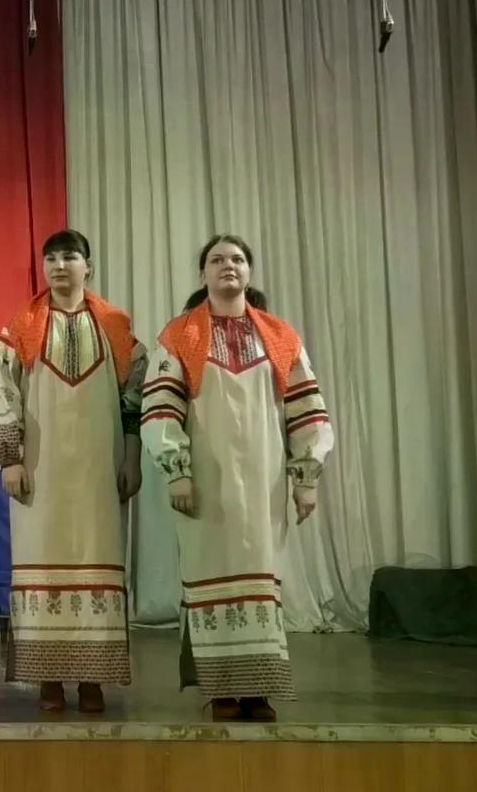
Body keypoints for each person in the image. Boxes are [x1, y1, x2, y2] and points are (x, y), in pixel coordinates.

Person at [141, 234, 333, 722]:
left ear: (249, 271)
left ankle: (259, 689)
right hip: (207, 480)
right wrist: (177, 471)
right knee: (210, 576)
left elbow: (306, 408)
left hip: (264, 481)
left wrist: (306, 476)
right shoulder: (180, 335)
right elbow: (160, 408)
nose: (228, 265)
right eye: (217, 259)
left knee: (261, 578)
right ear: (202, 274)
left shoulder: (280, 336)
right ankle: (222, 688)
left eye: (238, 259)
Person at [0, 229, 146, 713]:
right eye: (51, 258)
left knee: (99, 557)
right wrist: (10, 459)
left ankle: (93, 678)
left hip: (99, 469)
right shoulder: (22, 326)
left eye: (70, 257)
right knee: (41, 558)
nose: (59, 265)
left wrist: (132, 457)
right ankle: (48, 678)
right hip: (41, 470)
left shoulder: (115, 327)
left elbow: (133, 401)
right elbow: (2, 394)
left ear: (87, 266)